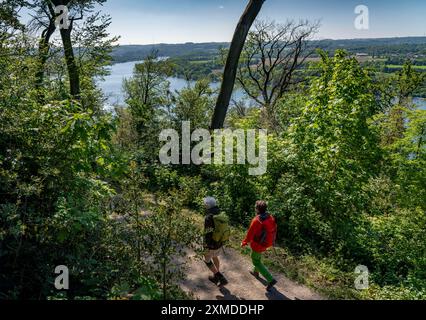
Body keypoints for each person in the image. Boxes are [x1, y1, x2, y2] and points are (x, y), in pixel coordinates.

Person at [242, 200, 278, 291]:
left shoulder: (257, 220)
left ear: (257, 209)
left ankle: (270, 279)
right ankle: (256, 272)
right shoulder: (270, 217)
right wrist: (273, 241)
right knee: (257, 257)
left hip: (259, 244)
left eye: (255, 207)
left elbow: (250, 233)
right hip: (267, 242)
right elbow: (274, 228)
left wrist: (244, 242)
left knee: (255, 261)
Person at [203, 197, 229, 287]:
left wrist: (206, 245)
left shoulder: (208, 217)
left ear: (207, 205)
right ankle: (215, 276)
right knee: (215, 257)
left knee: (207, 260)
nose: (204, 205)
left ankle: (220, 277)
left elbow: (208, 233)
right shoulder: (220, 213)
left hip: (212, 243)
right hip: (220, 241)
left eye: (204, 204)